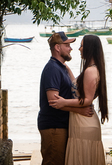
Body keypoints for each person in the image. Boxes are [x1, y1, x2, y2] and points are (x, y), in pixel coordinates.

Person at [49, 34, 108, 165]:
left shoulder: (90, 71)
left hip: (84, 124)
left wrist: (63, 102)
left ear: (89, 48)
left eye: (81, 46)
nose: (79, 49)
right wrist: (66, 68)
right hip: (83, 123)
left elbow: (87, 100)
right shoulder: (93, 69)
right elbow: (77, 87)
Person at [38, 31, 89, 165]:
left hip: (60, 125)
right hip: (53, 126)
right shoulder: (53, 69)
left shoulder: (61, 67)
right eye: (67, 45)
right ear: (57, 47)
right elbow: (53, 101)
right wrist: (80, 111)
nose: (71, 48)